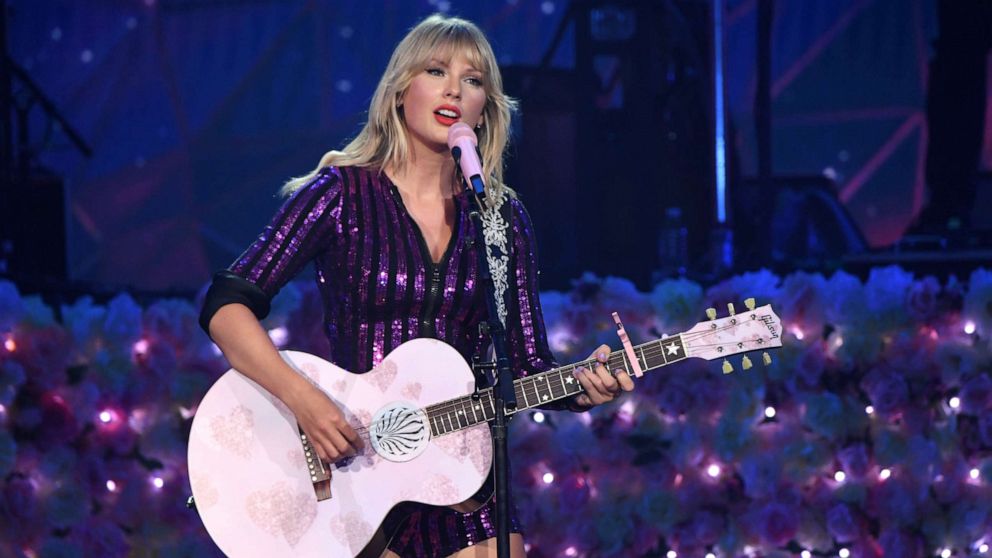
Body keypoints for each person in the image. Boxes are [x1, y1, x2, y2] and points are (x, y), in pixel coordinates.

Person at [198, 14, 634, 558]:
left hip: (466, 485)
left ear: (485, 109)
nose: (454, 88)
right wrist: (306, 402)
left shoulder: (500, 216)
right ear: (402, 90)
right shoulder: (341, 195)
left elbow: (525, 366)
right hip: (356, 475)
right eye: (436, 70)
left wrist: (585, 387)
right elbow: (226, 303)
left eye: (473, 80)